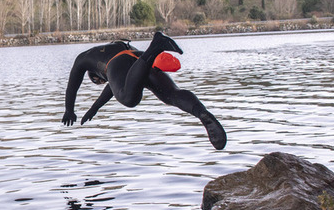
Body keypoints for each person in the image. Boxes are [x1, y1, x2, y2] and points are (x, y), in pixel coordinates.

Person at [61, 31, 227, 149]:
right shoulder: (112, 49)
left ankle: (155, 46)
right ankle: (202, 113)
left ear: (96, 77)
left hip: (124, 61)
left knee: (129, 99)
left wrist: (69, 109)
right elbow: (114, 85)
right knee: (171, 95)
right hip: (139, 57)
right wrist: (94, 108)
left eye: (99, 82)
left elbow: (73, 85)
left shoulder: (83, 60)